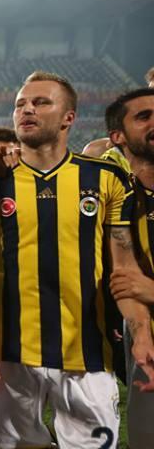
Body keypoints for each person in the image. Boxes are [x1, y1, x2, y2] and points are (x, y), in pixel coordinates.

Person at [0, 72, 154, 449]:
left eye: (41, 102)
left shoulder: (107, 178)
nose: (27, 109)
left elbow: (124, 269)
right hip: (8, 357)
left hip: (88, 355)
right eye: (20, 104)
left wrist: (142, 333)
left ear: (69, 117)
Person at [102, 88, 154, 446]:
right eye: (144, 116)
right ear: (118, 136)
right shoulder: (118, 199)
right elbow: (125, 280)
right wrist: (142, 337)